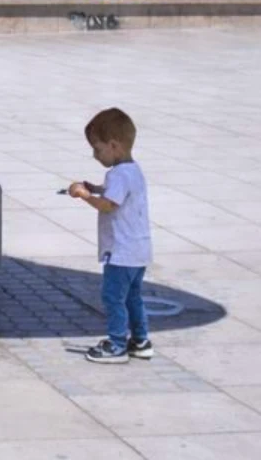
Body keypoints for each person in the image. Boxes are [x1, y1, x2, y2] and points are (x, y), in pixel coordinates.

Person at [68, 107, 153, 364]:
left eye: (97, 149)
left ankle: (116, 344)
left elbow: (108, 205)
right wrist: (95, 187)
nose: (95, 155)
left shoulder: (117, 174)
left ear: (114, 145)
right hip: (138, 251)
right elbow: (115, 191)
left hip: (121, 252)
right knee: (132, 297)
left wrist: (85, 195)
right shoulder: (133, 170)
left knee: (113, 297)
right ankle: (140, 341)